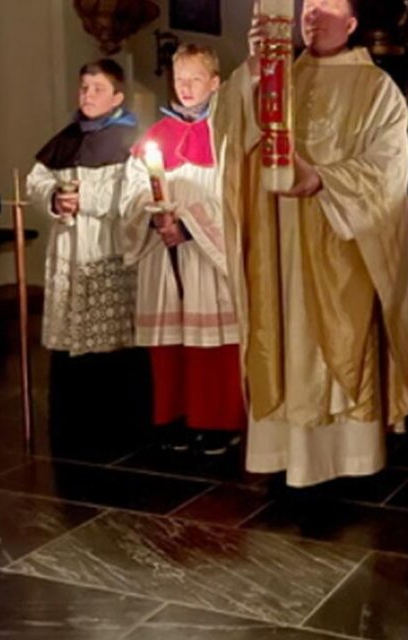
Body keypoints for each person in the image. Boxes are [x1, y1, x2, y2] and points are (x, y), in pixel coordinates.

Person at [228, 0, 408, 487]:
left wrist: (322, 180)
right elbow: (229, 133)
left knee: (336, 342)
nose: (313, 14)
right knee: (280, 334)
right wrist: (252, 71)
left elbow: (388, 168)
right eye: (308, 6)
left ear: (351, 25)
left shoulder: (376, 88)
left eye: (327, 6)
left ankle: (343, 459)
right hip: (278, 239)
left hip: (340, 239)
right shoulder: (278, 76)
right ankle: (281, 454)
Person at [120, 44, 246, 455]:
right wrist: (155, 216)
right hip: (163, 253)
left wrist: (189, 225)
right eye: (179, 80)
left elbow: (235, 197)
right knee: (169, 338)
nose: (186, 88)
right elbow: (135, 188)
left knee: (212, 341)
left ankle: (217, 421)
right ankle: (171, 417)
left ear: (215, 83)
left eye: (195, 79)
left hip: (207, 256)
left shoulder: (229, 135)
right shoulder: (156, 136)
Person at [27, 59, 149, 455]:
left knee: (111, 343)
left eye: (97, 89)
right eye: (83, 88)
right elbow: (37, 180)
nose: (88, 96)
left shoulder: (132, 138)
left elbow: (136, 193)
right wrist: (54, 199)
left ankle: (115, 424)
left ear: (117, 96)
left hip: (108, 248)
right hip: (69, 249)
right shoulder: (66, 138)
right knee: (69, 343)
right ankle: (70, 422)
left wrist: (85, 199)